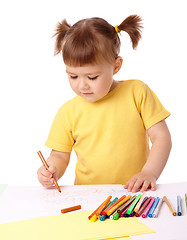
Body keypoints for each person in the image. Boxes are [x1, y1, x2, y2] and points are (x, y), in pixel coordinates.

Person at [37, 15, 172, 193]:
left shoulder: (137, 92)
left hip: (135, 193)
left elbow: (162, 138)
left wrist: (149, 173)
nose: (82, 85)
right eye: (73, 76)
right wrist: (51, 170)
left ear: (116, 66)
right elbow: (60, 155)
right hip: (88, 198)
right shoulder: (67, 112)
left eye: (92, 77)